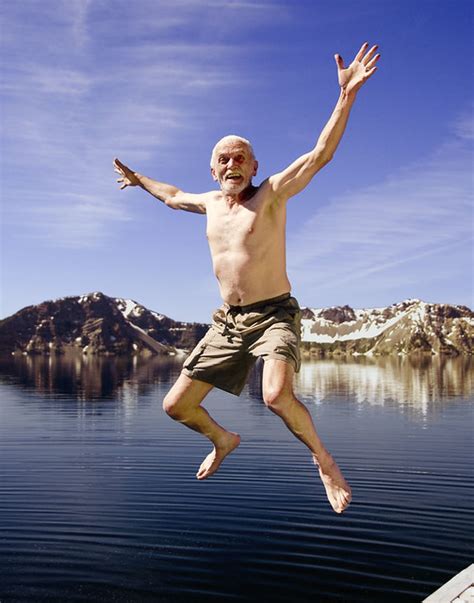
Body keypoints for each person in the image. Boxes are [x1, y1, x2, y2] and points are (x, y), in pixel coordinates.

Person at [114, 42, 380, 513]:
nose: (233, 164)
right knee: (175, 406)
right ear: (213, 170)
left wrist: (347, 96)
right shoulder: (210, 203)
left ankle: (323, 460)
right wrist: (139, 179)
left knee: (276, 394)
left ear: (255, 167)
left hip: (274, 312)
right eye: (225, 159)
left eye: (241, 158)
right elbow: (173, 195)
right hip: (229, 321)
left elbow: (319, 155)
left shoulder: (272, 195)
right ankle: (222, 440)